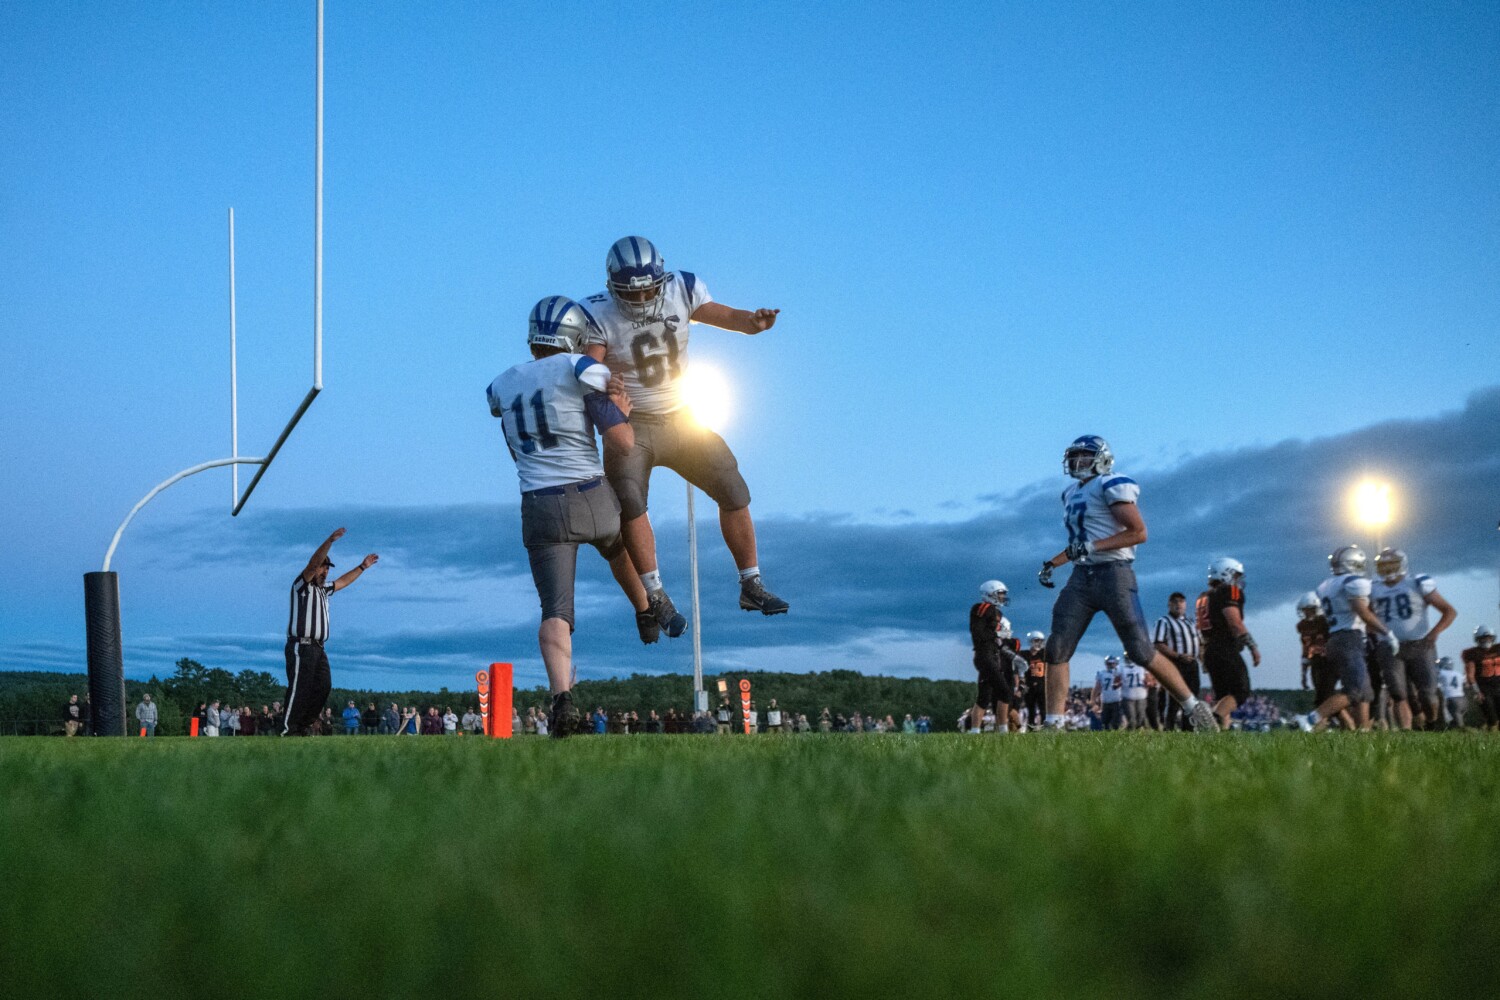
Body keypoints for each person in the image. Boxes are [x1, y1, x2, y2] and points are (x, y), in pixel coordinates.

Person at [579, 236, 787, 632]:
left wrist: (753, 322)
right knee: (631, 503)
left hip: (682, 417)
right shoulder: (596, 313)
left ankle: (751, 582)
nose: (640, 300)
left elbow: (723, 316)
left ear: (662, 278)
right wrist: (606, 397)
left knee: (734, 489)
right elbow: (587, 372)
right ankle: (655, 596)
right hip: (635, 423)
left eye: (648, 290)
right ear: (612, 287)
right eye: (631, 293)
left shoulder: (683, 288)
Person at [489, 296, 650, 738]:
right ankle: (645, 607)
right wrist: (620, 410)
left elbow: (503, 416)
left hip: (538, 503)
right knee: (619, 543)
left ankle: (562, 699)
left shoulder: (501, 383)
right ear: (573, 336)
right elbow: (618, 438)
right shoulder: (579, 367)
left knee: (555, 609)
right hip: (587, 490)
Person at [1037, 435, 1216, 732]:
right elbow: (1080, 543)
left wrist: (1093, 548)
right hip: (1081, 577)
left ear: (1101, 459)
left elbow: (1138, 532)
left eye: (1084, 456)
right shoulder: (1069, 493)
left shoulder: (1111, 484)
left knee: (1140, 650)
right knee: (1056, 647)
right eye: (1074, 456)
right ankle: (1053, 724)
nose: (1076, 462)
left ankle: (1194, 708)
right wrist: (1053, 563)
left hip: (1114, 574)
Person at [282, 527, 378, 736]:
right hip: (302, 644)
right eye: (322, 568)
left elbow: (343, 580)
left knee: (324, 686)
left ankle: (304, 725)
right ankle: (288, 729)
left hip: (319, 648)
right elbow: (312, 564)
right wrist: (329, 541)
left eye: (327, 569)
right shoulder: (302, 586)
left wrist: (362, 566)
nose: (325, 571)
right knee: (300, 688)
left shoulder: (324, 590)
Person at [1294, 545, 1399, 732]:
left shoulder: (1326, 585)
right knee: (1355, 690)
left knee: (1365, 691)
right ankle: (1310, 720)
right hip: (1349, 638)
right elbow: (1362, 612)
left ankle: (1363, 731)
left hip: (1338, 638)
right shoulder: (1353, 582)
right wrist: (1386, 632)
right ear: (1353, 563)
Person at [1369, 548, 1456, 731]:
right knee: (1398, 693)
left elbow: (1449, 611)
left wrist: (1434, 633)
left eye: (1391, 564)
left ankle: (1432, 723)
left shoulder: (1417, 582)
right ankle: (1407, 732)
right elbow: (1365, 617)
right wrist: (1379, 635)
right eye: (1383, 565)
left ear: (1402, 564)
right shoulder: (1373, 588)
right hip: (1389, 647)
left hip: (1420, 644)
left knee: (1428, 694)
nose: (1387, 569)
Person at [1196, 557, 1259, 730]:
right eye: (1236, 576)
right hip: (1224, 647)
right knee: (1240, 692)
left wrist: (1203, 655)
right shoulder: (1228, 591)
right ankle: (1210, 721)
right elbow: (1234, 623)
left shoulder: (1203, 597)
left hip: (1209, 648)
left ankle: (1219, 736)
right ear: (1226, 574)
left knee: (1223, 696)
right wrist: (1253, 646)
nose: (1238, 580)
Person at [969, 580, 1022, 733]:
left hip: (992, 655)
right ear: (990, 593)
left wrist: (1003, 638)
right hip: (985, 655)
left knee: (984, 698)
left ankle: (975, 732)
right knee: (1005, 692)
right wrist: (997, 634)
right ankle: (1002, 731)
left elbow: (1000, 639)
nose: (1003, 596)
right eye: (1000, 593)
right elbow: (978, 633)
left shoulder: (997, 612)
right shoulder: (982, 608)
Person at [1463, 625, 1500, 731]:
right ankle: (1491, 742)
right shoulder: (1473, 653)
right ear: (1478, 639)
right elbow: (1470, 674)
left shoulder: (1498, 649)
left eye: (1489, 638)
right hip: (1484, 689)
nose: (1486, 640)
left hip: (1498, 685)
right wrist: (1476, 691)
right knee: (1492, 719)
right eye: (1484, 638)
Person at [1021, 630, 1047, 729]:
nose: (1038, 643)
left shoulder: (1043, 654)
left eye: (1040, 641)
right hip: (1029, 686)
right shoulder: (1024, 654)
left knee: (1043, 709)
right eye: (1036, 641)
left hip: (1042, 686)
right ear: (1030, 641)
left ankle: (1045, 728)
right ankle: (1031, 728)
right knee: (1031, 709)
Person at [1093, 655, 1125, 730]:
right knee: (1105, 722)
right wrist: (1093, 699)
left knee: (1116, 722)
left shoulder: (1120, 673)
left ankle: (1115, 736)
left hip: (1117, 700)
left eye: (1112, 663)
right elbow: (1097, 687)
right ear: (1106, 664)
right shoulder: (1101, 673)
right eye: (1109, 664)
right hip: (1105, 701)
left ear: (1116, 663)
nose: (1111, 665)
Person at [1437, 657, 1467, 729]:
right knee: (1456, 720)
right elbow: (1465, 683)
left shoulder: (1441, 673)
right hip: (1463, 699)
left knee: (1452, 720)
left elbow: (1436, 685)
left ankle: (1462, 732)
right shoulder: (1458, 673)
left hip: (1451, 698)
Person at [1120, 655, 1149, 730]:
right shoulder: (1121, 669)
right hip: (1128, 696)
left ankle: (1134, 734)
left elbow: (1148, 680)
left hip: (1141, 696)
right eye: (1127, 658)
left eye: (1129, 658)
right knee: (1132, 720)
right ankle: (1129, 736)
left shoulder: (1142, 667)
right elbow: (1116, 682)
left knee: (1140, 718)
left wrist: (1148, 683)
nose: (1128, 660)